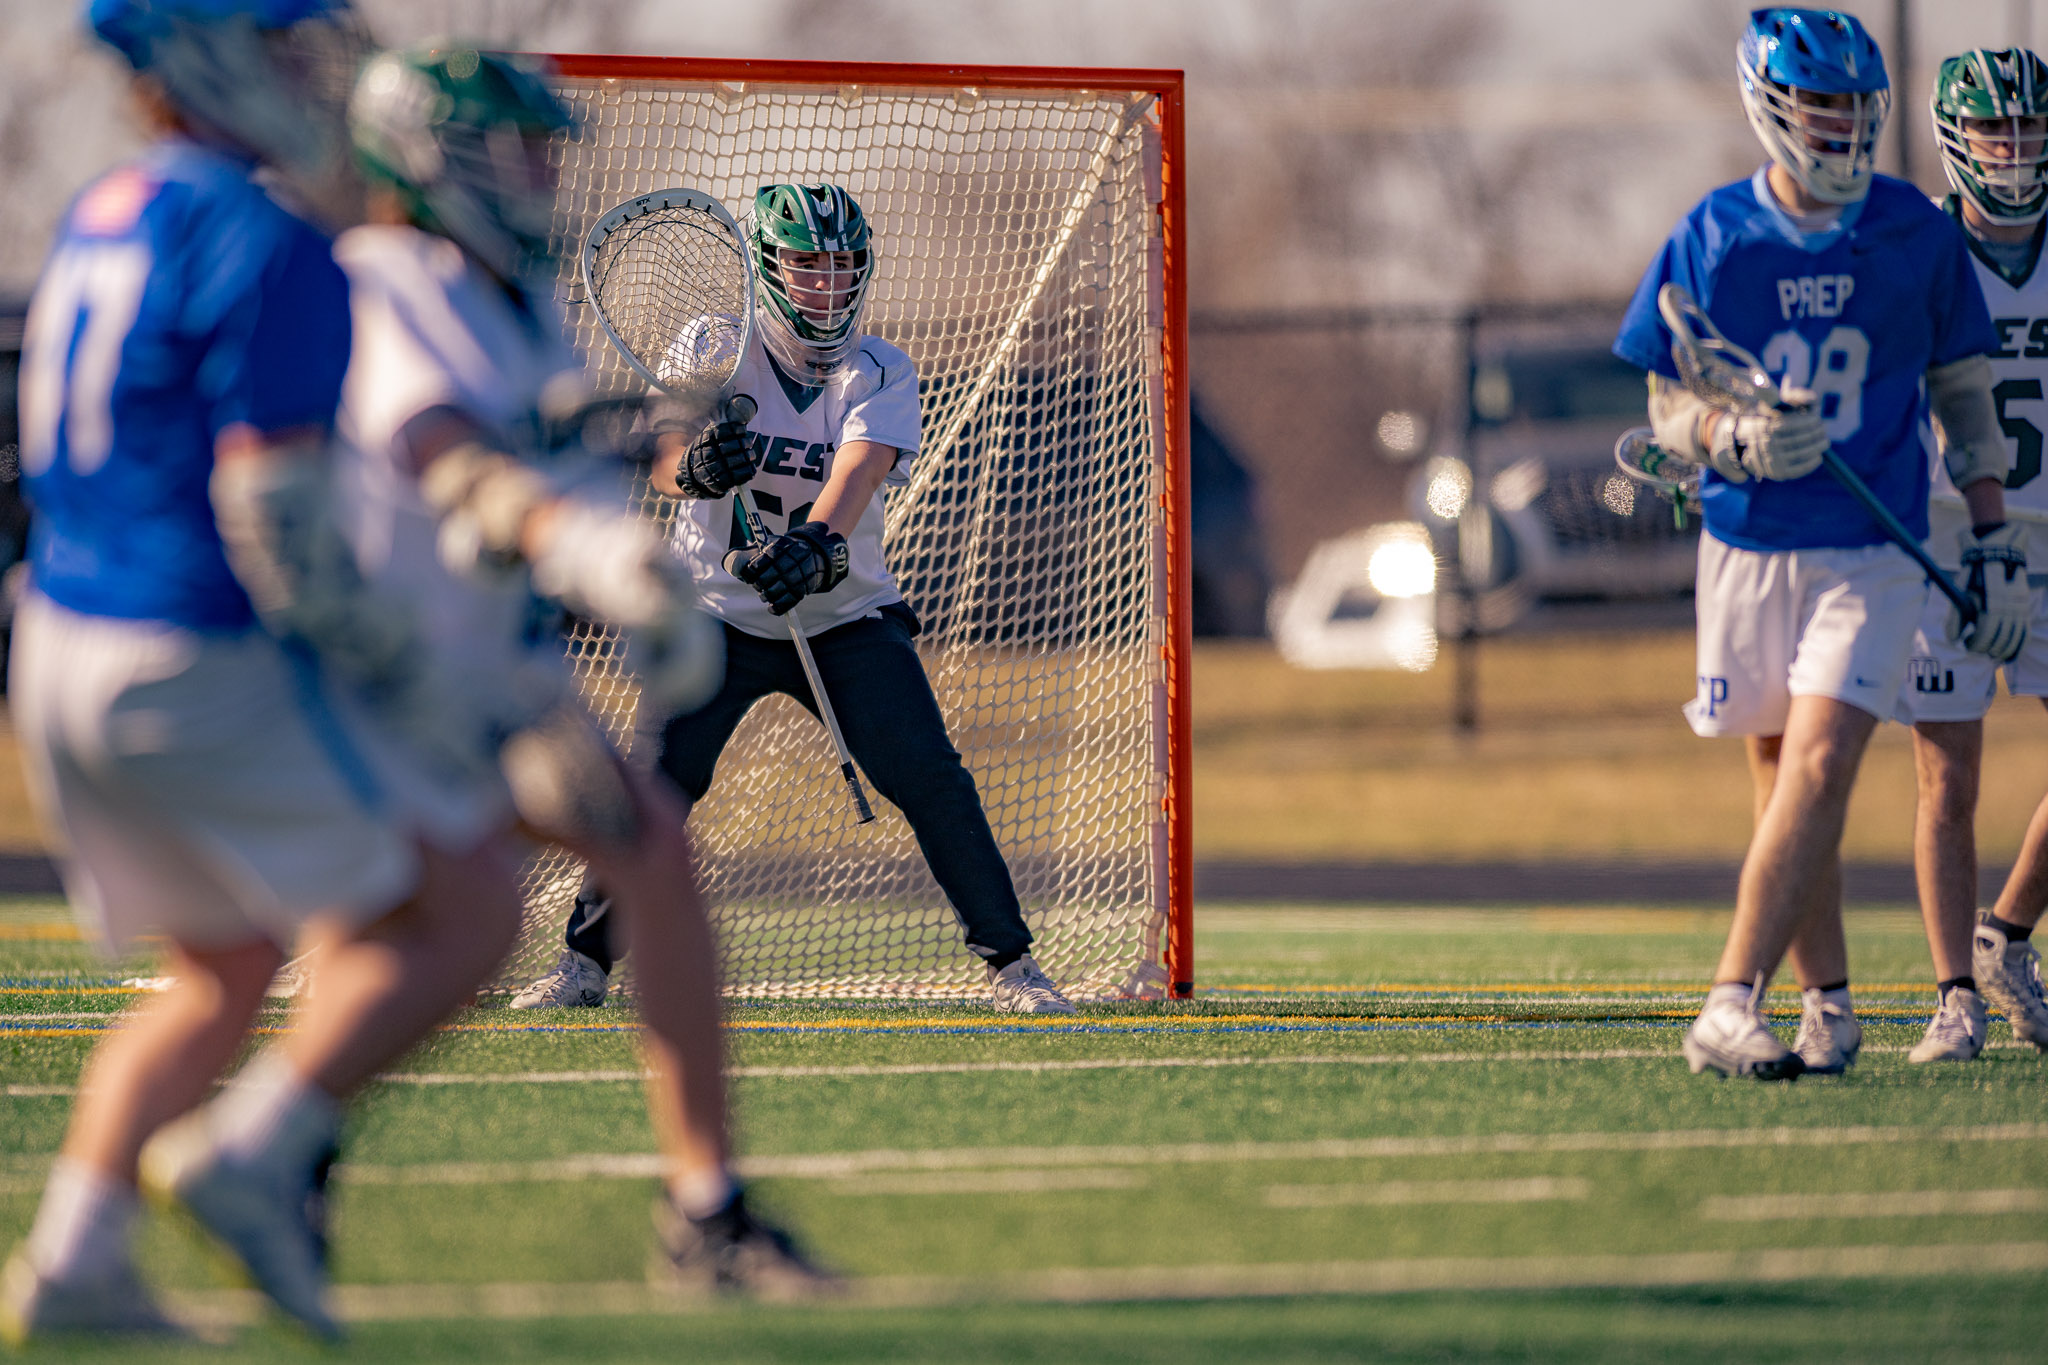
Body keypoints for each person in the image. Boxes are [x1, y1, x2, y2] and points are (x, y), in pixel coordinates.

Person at [0, 0, 521, 1341]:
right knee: (464, 905)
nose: (312, 71)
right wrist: (405, 676)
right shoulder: (268, 234)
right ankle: (253, 1152)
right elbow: (274, 515)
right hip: (191, 650)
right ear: (206, 53)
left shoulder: (107, 206)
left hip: (60, 644)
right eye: (283, 44)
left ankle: (73, 1264)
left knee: (220, 967)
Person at [332, 46, 833, 1293]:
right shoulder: (390, 277)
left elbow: (564, 450)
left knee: (641, 854)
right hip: (388, 666)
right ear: (434, 156)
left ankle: (704, 1210)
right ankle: (268, 1146)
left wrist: (659, 469)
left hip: (485, 667)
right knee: (421, 925)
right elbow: (447, 455)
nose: (542, 168)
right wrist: (591, 549)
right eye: (517, 146)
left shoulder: (511, 290)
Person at [514, 182, 1077, 1015]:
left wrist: (814, 547)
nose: (828, 285)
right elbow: (670, 458)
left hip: (844, 615)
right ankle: (583, 964)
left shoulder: (878, 367)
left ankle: (1012, 965)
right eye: (808, 266)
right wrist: (698, 469)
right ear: (769, 269)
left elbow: (859, 472)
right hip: (713, 612)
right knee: (659, 780)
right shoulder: (713, 343)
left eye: (844, 266)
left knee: (931, 778)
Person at [1613, 8, 2013, 1080]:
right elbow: (1665, 407)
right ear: (1770, 106)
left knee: (1825, 757)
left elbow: (1965, 400)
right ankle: (1825, 1009)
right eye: (1818, 105)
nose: (1839, 127)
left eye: (1851, 107)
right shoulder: (1712, 234)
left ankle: (1724, 1001)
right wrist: (1726, 436)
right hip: (1746, 541)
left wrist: (1992, 538)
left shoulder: (1912, 235)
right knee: (1780, 774)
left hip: (1869, 543)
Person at [1901, 47, 2048, 1058]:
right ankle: (1953, 991)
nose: (2009, 148)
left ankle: (2005, 936)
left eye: (2025, 128)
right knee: (1947, 780)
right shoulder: (1917, 245)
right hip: (1949, 535)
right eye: (1993, 129)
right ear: (1955, 135)